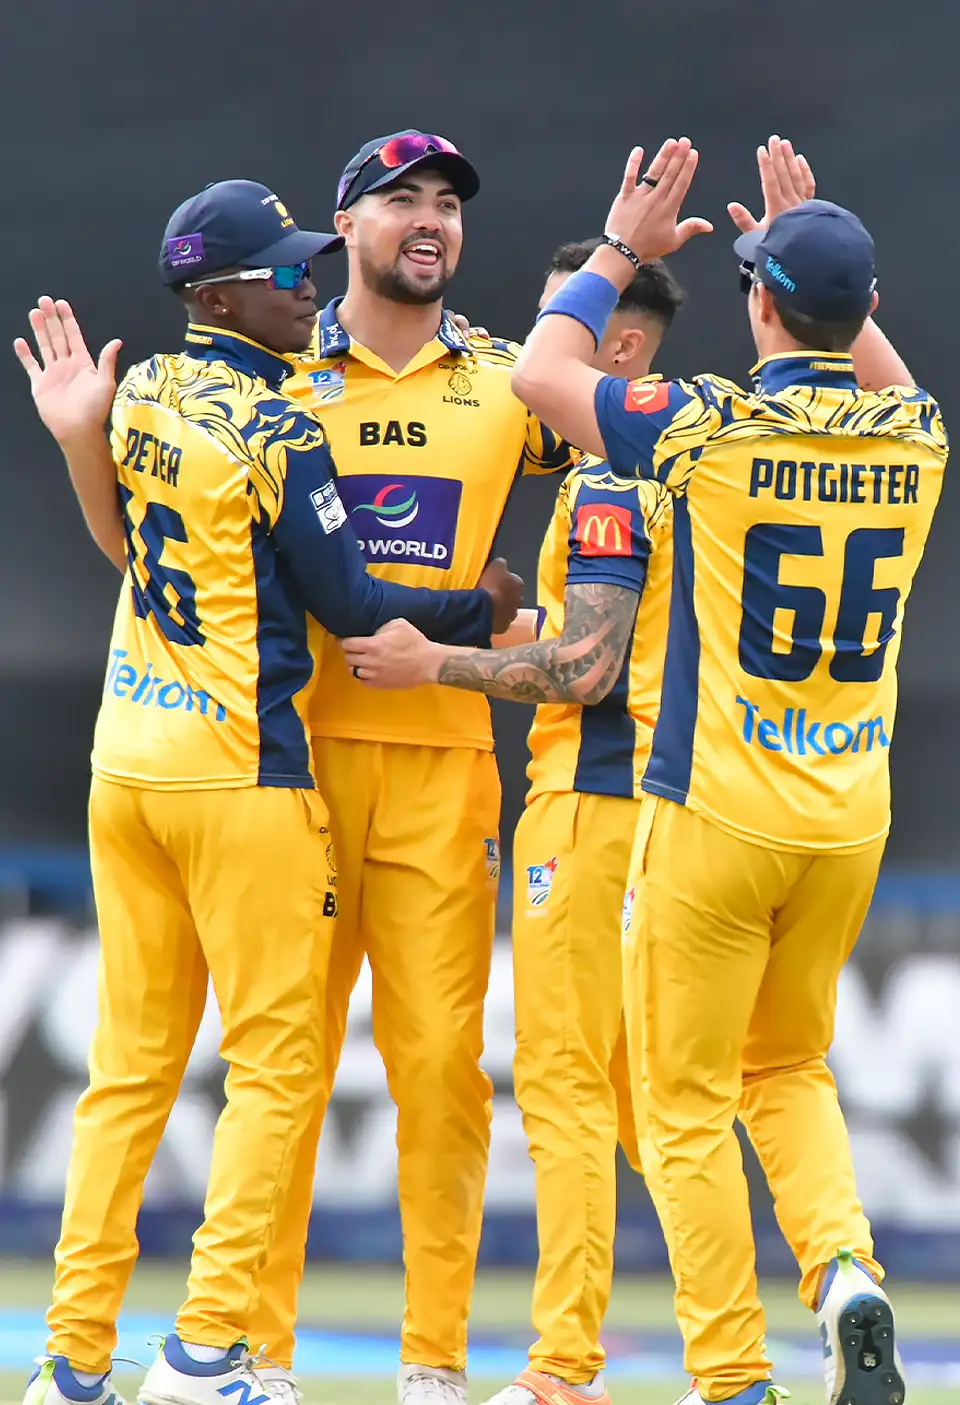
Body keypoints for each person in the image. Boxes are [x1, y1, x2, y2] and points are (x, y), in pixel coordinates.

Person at [14, 179, 520, 1405]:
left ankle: (73, 1361)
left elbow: (128, 547)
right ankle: (204, 1352)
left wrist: (80, 436)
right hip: (245, 776)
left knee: (129, 1073)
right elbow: (351, 604)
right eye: (286, 274)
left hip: (126, 764)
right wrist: (484, 611)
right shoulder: (282, 425)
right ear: (220, 293)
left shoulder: (140, 396)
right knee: (280, 1071)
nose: (308, 289)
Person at [504, 135, 946, 1405]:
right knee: (788, 1068)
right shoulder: (916, 439)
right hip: (847, 817)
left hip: (711, 812)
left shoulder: (707, 426)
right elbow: (883, 375)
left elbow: (543, 367)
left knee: (686, 1100)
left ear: (757, 303)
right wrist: (830, 266)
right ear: (860, 309)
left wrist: (622, 252)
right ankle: (847, 1272)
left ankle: (733, 1377)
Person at [244, 131, 574, 1405]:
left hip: (444, 777)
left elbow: (618, 457)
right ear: (346, 225)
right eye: (402, 200)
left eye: (447, 203)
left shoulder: (507, 380)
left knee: (441, 1072)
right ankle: (252, 1356)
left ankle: (434, 1365)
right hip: (294, 769)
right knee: (286, 1068)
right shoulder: (273, 375)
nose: (430, 220)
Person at [341, 235, 684, 1405]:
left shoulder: (608, 477)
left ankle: (561, 1372)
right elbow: (622, 635)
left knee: (564, 1083)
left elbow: (584, 670)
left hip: (589, 810)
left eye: (559, 329)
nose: (528, 354)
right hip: (678, 806)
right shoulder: (702, 461)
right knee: (662, 1100)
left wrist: (440, 656)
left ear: (618, 350)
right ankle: (748, 1351)